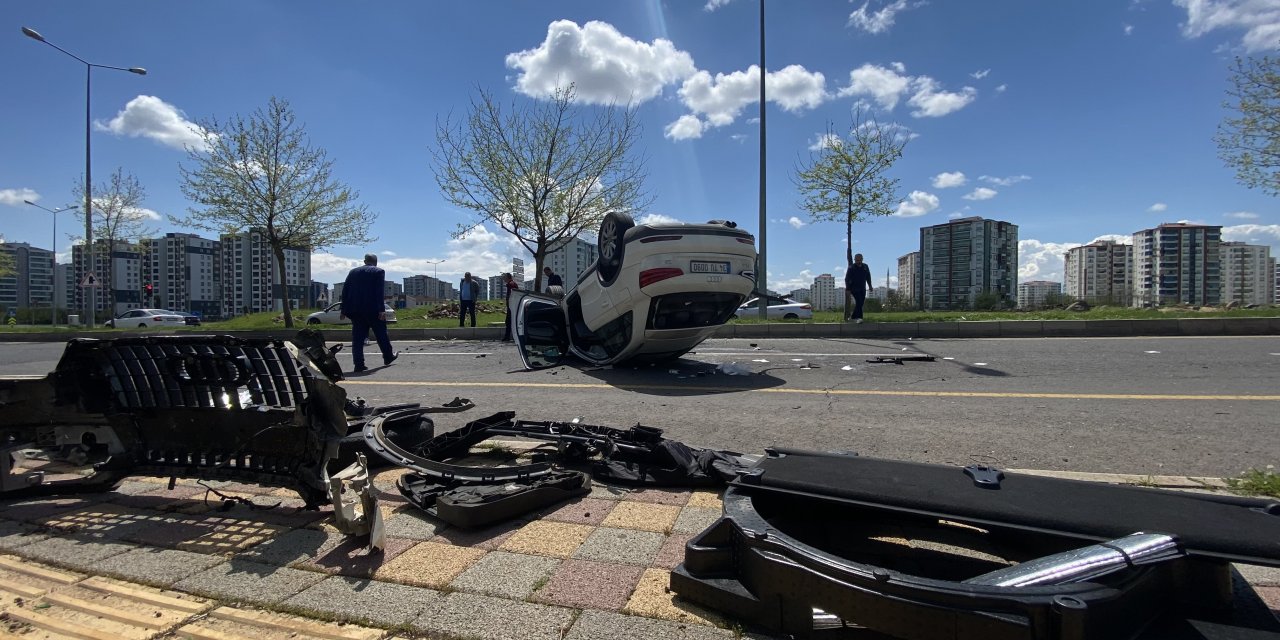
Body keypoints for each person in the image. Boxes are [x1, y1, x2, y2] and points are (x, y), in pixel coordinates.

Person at [340, 253, 398, 372]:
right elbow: (379, 292)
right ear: (376, 262)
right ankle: (388, 357)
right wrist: (381, 309)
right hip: (373, 310)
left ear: (364, 261)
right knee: (381, 334)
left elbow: (345, 291)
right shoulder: (378, 272)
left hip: (356, 310)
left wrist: (343, 310)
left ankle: (358, 364)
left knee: (357, 338)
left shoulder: (353, 272)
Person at [845, 253, 874, 324]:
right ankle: (860, 318)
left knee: (861, 303)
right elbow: (847, 279)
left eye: (859, 260)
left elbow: (868, 277)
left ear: (862, 259)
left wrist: (870, 286)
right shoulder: (851, 268)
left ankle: (852, 317)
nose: (858, 261)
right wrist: (848, 289)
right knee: (859, 301)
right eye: (857, 260)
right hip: (854, 288)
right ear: (854, 260)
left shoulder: (865, 266)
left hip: (862, 288)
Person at [501, 272, 520, 341]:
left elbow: (511, 295)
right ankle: (509, 336)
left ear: (507, 277)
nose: (503, 278)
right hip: (513, 305)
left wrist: (509, 303)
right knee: (511, 321)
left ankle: (507, 337)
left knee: (508, 321)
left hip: (511, 305)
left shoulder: (510, 284)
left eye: (504, 277)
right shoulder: (513, 283)